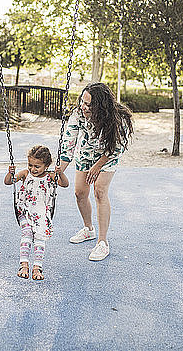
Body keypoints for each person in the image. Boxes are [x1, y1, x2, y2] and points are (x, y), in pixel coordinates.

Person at [59, 82, 133, 261]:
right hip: (86, 153)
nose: (84, 107)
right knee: (79, 193)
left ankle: (102, 242)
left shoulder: (117, 118)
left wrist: (98, 165)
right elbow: (69, 142)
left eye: (89, 105)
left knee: (99, 191)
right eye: (82, 102)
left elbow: (117, 147)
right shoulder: (78, 114)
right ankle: (88, 229)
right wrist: (59, 170)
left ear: (100, 105)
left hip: (108, 155)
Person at [4, 145, 69, 280]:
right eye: (30, 165)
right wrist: (10, 173)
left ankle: (37, 267)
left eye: (37, 166)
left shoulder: (51, 176)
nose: (33, 169)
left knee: (40, 237)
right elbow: (9, 182)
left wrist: (60, 173)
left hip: (42, 214)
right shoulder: (25, 174)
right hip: (24, 210)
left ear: (46, 166)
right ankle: (24, 265)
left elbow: (65, 184)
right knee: (27, 232)